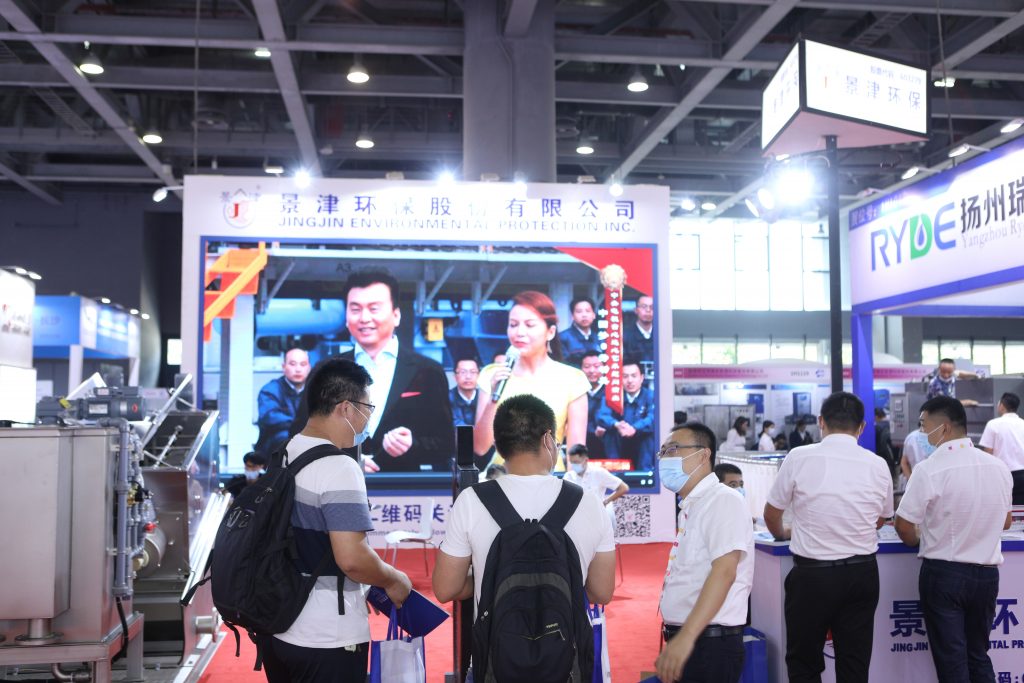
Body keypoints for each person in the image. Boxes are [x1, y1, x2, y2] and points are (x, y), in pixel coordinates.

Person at [262, 358, 412, 683]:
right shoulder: (339, 467)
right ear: (346, 408)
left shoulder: (285, 452)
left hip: (278, 625)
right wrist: (393, 579)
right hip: (326, 635)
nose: (369, 417)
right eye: (368, 408)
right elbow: (352, 559)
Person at [432, 393, 616, 616]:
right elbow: (601, 593)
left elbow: (446, 589)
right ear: (548, 440)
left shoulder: (471, 501)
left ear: (498, 446)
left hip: (498, 637)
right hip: (567, 636)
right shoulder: (589, 502)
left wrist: (489, 580)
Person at [763, 392, 893, 683]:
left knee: (804, 663)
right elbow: (881, 518)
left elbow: (772, 513)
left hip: (813, 577)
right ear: (862, 427)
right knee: (854, 665)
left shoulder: (799, 457)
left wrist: (782, 533)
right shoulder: (877, 464)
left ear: (821, 421)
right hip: (862, 574)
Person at [895, 395, 1013, 683]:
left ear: (944, 427)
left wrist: (919, 538)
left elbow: (904, 525)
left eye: (924, 425)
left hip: (945, 575)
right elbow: (1006, 521)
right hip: (986, 576)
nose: (922, 433)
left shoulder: (929, 468)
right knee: (978, 655)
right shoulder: (998, 466)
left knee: (952, 662)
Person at [291, 271, 455, 473]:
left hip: (403, 487)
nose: (364, 318)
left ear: (396, 315)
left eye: (374, 308)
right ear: (346, 317)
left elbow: (446, 444)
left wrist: (412, 444)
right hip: (337, 485)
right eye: (355, 309)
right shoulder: (325, 372)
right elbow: (299, 436)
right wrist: (344, 456)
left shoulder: (427, 371)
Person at [656, 421, 755, 683]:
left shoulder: (723, 500)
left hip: (709, 645)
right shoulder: (693, 505)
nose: (665, 458)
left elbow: (724, 572)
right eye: (662, 452)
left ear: (703, 455)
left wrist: (687, 637)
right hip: (692, 641)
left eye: (673, 449)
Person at [474, 291, 590, 471]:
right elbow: (480, 447)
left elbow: (576, 450)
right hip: (500, 480)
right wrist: (493, 400)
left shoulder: (573, 379)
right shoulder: (492, 375)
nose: (519, 332)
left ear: (550, 332)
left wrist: (574, 485)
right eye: (513, 325)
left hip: (552, 479)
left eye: (529, 325)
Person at [596, 359, 657, 470]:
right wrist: (616, 424)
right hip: (619, 441)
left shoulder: (651, 396)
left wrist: (635, 428)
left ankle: (645, 471)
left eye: (634, 376)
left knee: (649, 433)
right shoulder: (612, 396)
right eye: (625, 376)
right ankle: (615, 470)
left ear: (642, 378)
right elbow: (602, 416)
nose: (629, 380)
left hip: (641, 442)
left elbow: (653, 417)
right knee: (609, 431)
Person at [255, 348, 311, 457]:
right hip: (273, 450)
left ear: (309, 368)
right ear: (283, 367)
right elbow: (270, 417)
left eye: (303, 364)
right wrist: (300, 425)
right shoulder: (270, 390)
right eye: (293, 364)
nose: (298, 369)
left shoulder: (315, 390)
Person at [564, 444, 629, 529]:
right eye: (571, 462)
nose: (573, 465)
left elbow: (623, 488)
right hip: (577, 520)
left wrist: (606, 502)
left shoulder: (599, 473)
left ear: (585, 460)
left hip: (598, 519)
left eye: (576, 462)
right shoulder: (568, 476)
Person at [979, 392, 1024, 504]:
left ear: (1002, 406)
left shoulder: (993, 424)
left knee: (1003, 507)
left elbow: (988, 454)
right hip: (1022, 475)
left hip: (1002, 475)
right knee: (1020, 510)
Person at [558, 297, 601, 368]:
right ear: (572, 316)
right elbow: (563, 364)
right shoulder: (562, 338)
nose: (584, 315)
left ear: (594, 315)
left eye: (588, 311)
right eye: (579, 311)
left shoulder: (599, 338)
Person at [581, 350, 608, 458]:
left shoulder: (610, 393)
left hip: (606, 449)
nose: (592, 371)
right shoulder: (576, 392)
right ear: (581, 369)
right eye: (587, 366)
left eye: (597, 366)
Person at [449, 356, 480, 428]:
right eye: (463, 372)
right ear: (455, 376)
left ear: (479, 375)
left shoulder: (485, 398)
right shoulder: (445, 399)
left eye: (473, 372)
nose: (468, 376)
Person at [623, 294, 654, 365]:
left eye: (652, 307)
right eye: (644, 307)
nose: (648, 310)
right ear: (636, 310)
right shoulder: (625, 335)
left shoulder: (661, 334)